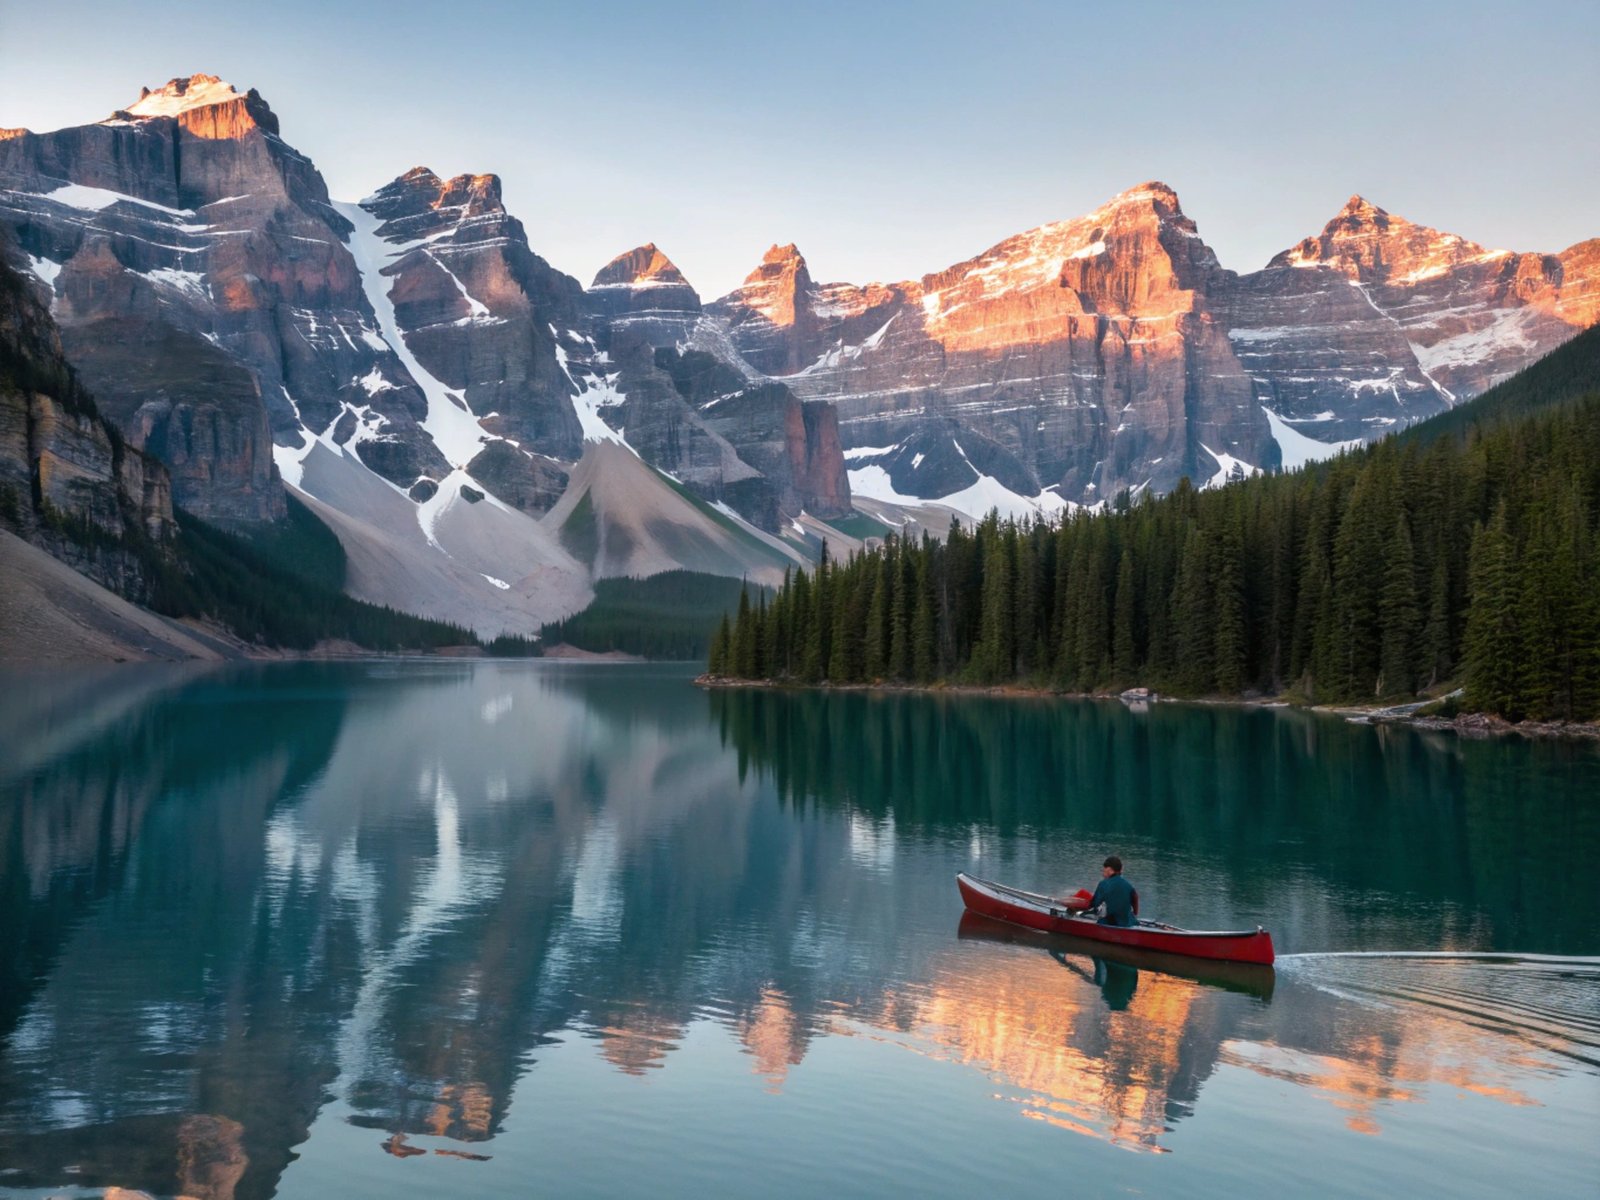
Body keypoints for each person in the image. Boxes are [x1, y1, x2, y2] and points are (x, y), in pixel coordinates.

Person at [1085, 855, 1139, 927]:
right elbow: (1135, 898)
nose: (1103, 872)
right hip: (1128, 922)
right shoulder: (1129, 885)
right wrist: (1135, 913)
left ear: (1109, 870)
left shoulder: (1103, 884)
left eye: (1104, 869)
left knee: (1091, 915)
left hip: (1110, 922)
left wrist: (1080, 908)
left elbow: (1094, 904)